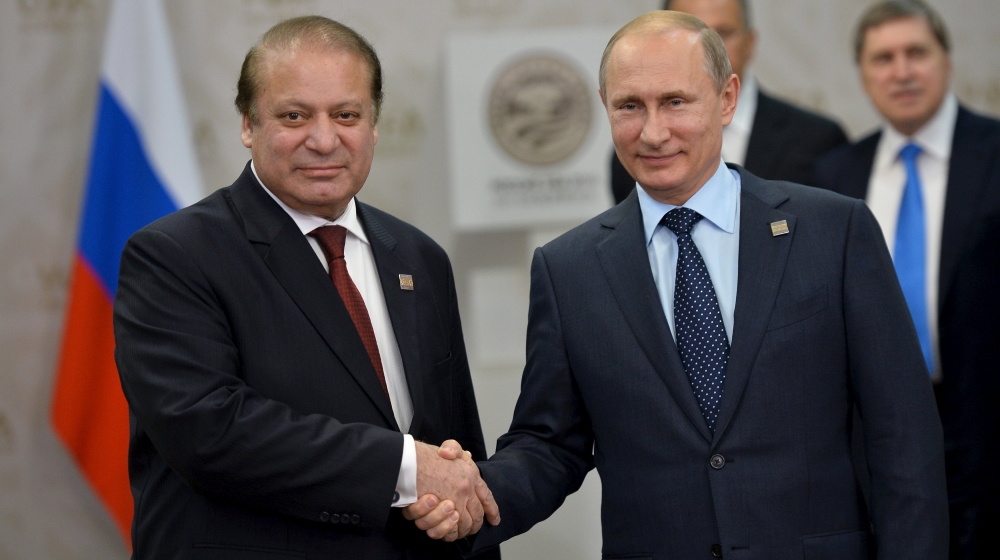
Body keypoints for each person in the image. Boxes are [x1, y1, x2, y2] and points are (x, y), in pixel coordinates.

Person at [407, 10, 948, 559]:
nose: (653, 132)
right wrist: (473, 495)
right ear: (605, 107)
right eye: (629, 106)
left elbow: (903, 438)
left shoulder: (833, 231)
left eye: (675, 102)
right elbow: (550, 445)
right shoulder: (568, 269)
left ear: (727, 98)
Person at [113, 16, 499, 559]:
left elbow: (457, 461)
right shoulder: (174, 256)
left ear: (373, 125)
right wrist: (408, 468)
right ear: (248, 125)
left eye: (347, 115)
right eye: (294, 116)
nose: (324, 139)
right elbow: (209, 432)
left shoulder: (419, 258)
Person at [815, 1, 1000, 557]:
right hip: (879, 440)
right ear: (865, 75)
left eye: (916, 53)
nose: (902, 71)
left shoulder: (994, 151)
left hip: (986, 432)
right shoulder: (836, 174)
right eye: (883, 58)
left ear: (945, 60)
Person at [610, 0, 848, 204]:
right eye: (687, 34)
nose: (707, 49)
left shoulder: (818, 141)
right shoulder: (638, 153)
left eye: (722, 33)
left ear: (750, 42)